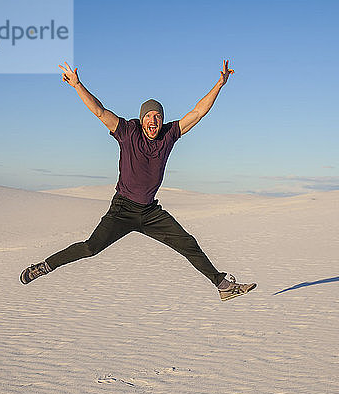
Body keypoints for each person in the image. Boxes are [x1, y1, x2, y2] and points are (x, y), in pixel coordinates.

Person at [20, 60, 256, 301]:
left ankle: (223, 286)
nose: (154, 121)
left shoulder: (169, 135)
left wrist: (220, 84)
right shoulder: (127, 132)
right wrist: (78, 85)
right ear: (142, 119)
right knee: (91, 247)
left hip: (151, 212)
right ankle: (45, 266)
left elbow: (197, 112)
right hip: (122, 209)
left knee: (188, 243)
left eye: (158, 116)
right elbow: (100, 111)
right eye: (150, 116)